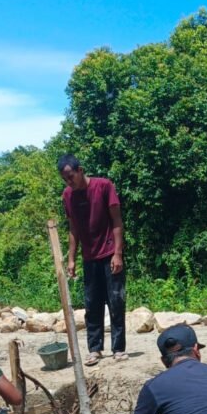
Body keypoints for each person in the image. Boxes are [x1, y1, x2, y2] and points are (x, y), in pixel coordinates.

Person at [58, 153, 127, 366]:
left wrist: (118, 253)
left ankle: (118, 349)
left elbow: (117, 221)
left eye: (71, 176)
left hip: (109, 253)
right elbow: (73, 228)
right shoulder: (68, 195)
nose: (69, 182)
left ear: (80, 170)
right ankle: (95, 350)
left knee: (116, 301)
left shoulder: (104, 186)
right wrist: (71, 259)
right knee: (92, 305)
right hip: (89, 257)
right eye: (65, 179)